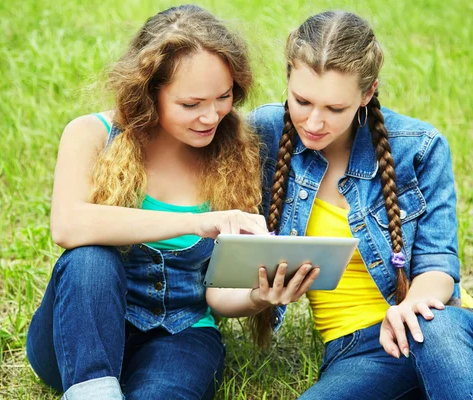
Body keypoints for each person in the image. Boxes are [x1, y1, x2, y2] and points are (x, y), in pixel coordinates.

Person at [24, 5, 312, 399]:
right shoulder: (92, 134)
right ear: (148, 93)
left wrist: (257, 297)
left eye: (224, 97)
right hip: (80, 336)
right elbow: (67, 226)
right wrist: (194, 223)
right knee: (91, 258)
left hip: (182, 335)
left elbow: (216, 292)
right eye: (190, 105)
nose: (210, 116)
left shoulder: (236, 151)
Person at [244, 10, 473, 400]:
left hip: (448, 332)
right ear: (287, 76)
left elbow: (439, 267)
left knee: (432, 324)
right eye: (302, 100)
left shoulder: (417, 146)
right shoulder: (266, 131)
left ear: (367, 93)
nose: (314, 122)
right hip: (360, 353)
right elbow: (196, 131)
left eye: (335, 109)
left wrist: (410, 308)